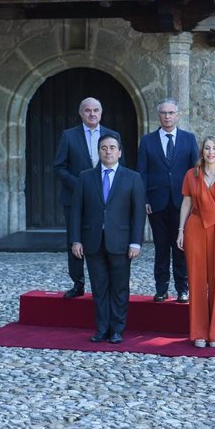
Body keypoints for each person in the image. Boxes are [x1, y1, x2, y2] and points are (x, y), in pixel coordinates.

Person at [70, 135, 146, 344]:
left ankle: (117, 329)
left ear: (120, 152)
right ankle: (102, 328)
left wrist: (136, 242)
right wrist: (76, 240)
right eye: (104, 148)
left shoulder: (133, 178)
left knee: (120, 288)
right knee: (99, 287)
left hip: (121, 242)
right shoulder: (85, 177)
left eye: (112, 148)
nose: (108, 151)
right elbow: (76, 211)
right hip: (93, 241)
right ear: (99, 152)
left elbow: (138, 213)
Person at [54, 97, 122, 299]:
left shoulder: (112, 135)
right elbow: (59, 167)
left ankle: (102, 285)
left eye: (96, 110)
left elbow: (121, 169)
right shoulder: (68, 136)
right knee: (74, 240)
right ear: (81, 113)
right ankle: (78, 283)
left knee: (103, 239)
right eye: (87, 110)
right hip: (75, 198)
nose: (92, 114)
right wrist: (81, 185)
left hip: (106, 200)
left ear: (101, 112)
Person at [177, 136, 215, 349]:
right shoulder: (191, 175)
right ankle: (199, 333)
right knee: (196, 281)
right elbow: (186, 203)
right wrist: (180, 230)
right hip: (195, 227)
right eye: (207, 148)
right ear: (202, 152)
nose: (210, 152)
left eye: (214, 148)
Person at [137, 98, 199, 303]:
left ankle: (183, 289)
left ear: (178, 114)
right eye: (163, 113)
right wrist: (144, 198)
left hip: (183, 203)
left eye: (171, 113)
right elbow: (142, 173)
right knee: (161, 248)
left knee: (181, 247)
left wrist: (195, 200)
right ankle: (161, 289)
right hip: (157, 202)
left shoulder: (189, 139)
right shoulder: (147, 141)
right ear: (158, 116)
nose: (167, 116)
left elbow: (195, 172)